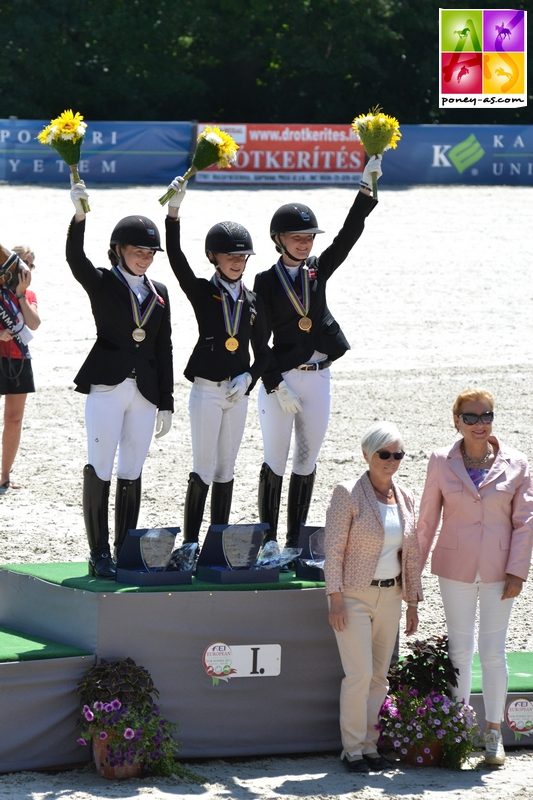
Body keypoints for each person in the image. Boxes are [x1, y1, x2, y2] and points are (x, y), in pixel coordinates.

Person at [253, 156, 381, 549]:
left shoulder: (317, 270)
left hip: (318, 375)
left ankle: (293, 541)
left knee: (306, 461)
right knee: (276, 458)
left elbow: (347, 236)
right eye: (297, 236)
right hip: (283, 380)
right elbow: (258, 338)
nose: (305, 242)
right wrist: (274, 384)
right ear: (278, 239)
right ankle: (269, 540)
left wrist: (366, 190)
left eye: (308, 236)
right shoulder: (264, 281)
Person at [417, 388, 533, 767]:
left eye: (487, 416)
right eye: (471, 417)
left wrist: (518, 570)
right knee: (460, 652)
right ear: (457, 421)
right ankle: (457, 730)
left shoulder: (517, 463)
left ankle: (494, 732)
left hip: (501, 572)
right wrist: (412, 574)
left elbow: (525, 523)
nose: (480, 424)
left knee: (493, 653)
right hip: (455, 569)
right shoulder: (440, 461)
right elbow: (426, 523)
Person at [67, 181, 174, 578]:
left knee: (133, 467)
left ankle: (125, 548)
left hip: (144, 391)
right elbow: (74, 257)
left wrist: (166, 399)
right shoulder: (102, 281)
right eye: (137, 251)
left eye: (149, 252)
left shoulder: (160, 292)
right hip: (108, 385)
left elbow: (164, 347)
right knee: (101, 466)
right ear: (118, 251)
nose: (144, 258)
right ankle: (99, 554)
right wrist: (79, 218)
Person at [163, 177, 270, 543]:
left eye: (242, 258)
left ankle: (216, 540)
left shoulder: (253, 300)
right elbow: (175, 259)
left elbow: (264, 351)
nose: (238, 263)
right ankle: (191, 542)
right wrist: (173, 214)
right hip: (207, 391)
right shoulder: (203, 291)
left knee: (227, 467)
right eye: (231, 257)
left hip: (237, 393)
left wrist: (251, 378)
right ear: (214, 257)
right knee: (204, 466)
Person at [324, 421, 422, 773]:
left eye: (398, 454)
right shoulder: (347, 492)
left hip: (391, 595)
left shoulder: (406, 495)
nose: (391, 460)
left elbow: (411, 554)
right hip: (353, 595)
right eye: (384, 454)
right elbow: (332, 551)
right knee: (359, 674)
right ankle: (351, 749)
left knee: (380, 676)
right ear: (367, 454)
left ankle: (369, 745)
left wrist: (412, 601)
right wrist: (334, 597)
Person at [0, 243, 41, 493]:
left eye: (29, 265)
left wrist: (22, 295)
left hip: (18, 359)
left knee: (14, 420)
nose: (25, 269)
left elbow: (34, 324)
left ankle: (4, 475)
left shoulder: (29, 296)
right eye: (22, 263)